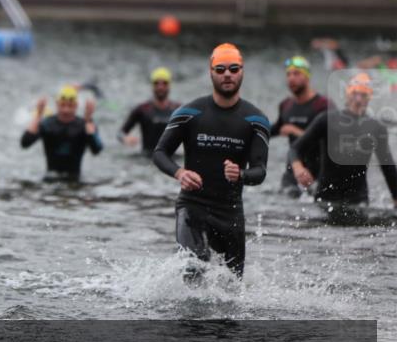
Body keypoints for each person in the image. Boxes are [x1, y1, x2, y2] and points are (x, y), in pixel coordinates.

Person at [153, 43, 270, 283]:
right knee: (196, 266)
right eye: (220, 69)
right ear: (211, 72)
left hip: (230, 213)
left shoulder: (256, 120)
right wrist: (179, 173)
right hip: (192, 206)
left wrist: (241, 174)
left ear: (242, 72)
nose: (227, 74)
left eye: (233, 68)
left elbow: (260, 171)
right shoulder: (189, 113)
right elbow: (160, 152)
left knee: (232, 289)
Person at [289, 72, 397, 220]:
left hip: (358, 202)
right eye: (355, 94)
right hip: (324, 199)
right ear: (347, 95)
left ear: (369, 98)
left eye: (363, 95)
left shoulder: (376, 128)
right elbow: (295, 148)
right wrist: (298, 168)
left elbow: (388, 168)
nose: (358, 99)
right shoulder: (326, 119)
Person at [269, 56, 330, 197]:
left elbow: (331, 142)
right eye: (288, 74)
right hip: (293, 171)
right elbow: (274, 129)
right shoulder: (285, 105)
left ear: (307, 76)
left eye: (296, 73)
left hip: (317, 172)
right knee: (285, 202)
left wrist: (295, 131)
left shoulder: (323, 105)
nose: (291, 78)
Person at [21, 85, 102, 181]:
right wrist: (39, 114)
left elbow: (97, 149)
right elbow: (25, 143)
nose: (66, 110)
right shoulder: (48, 124)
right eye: (63, 105)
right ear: (57, 104)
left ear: (76, 106)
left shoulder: (83, 125)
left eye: (70, 106)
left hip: (75, 178)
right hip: (51, 177)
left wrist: (88, 118)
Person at [119, 67, 180, 156]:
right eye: (156, 83)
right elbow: (120, 133)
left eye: (164, 83)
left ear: (169, 85)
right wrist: (126, 139)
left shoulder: (178, 110)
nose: (160, 87)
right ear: (152, 86)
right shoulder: (142, 109)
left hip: (171, 158)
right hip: (147, 157)